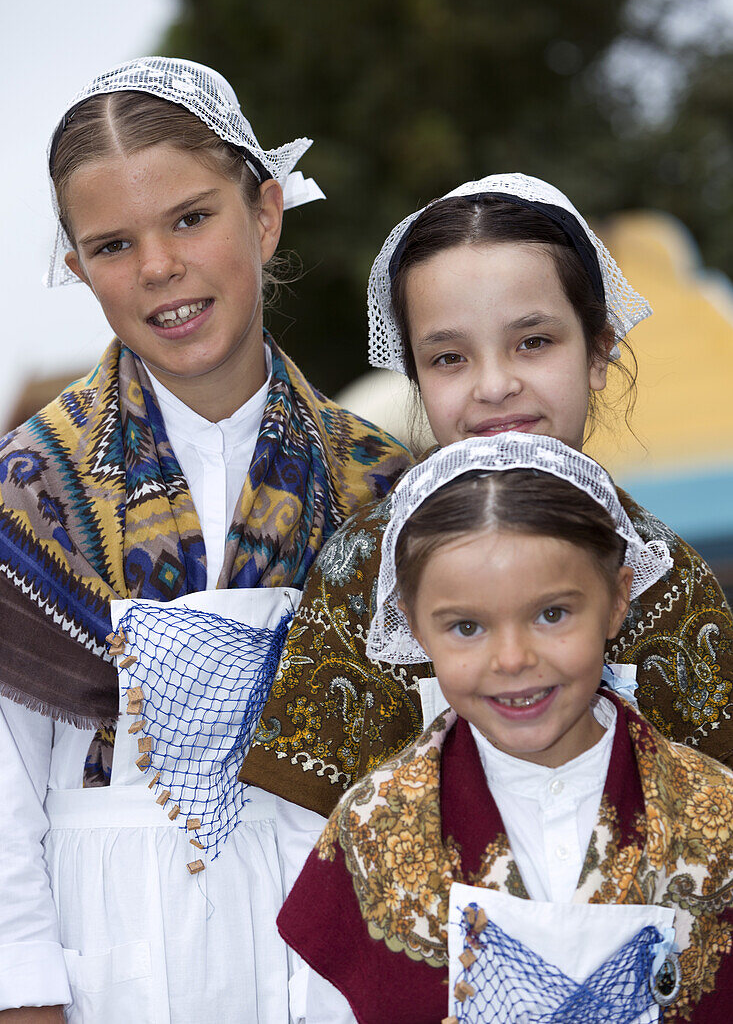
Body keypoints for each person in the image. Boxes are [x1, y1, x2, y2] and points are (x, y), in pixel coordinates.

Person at [0, 57, 411, 1022]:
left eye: (191, 218)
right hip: (113, 947)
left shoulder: (383, 488)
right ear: (77, 267)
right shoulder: (28, 488)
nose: (157, 268)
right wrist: (22, 995)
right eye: (110, 244)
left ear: (264, 214)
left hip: (334, 941)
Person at [240, 173, 733, 816]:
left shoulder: (664, 577)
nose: (495, 385)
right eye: (449, 358)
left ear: (599, 351)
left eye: (533, 343)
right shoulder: (360, 574)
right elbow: (306, 838)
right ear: (414, 377)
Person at [278, 433, 733, 1023]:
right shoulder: (370, 831)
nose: (512, 659)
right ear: (415, 628)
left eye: (552, 614)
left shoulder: (718, 817)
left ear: (618, 599)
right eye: (467, 627)